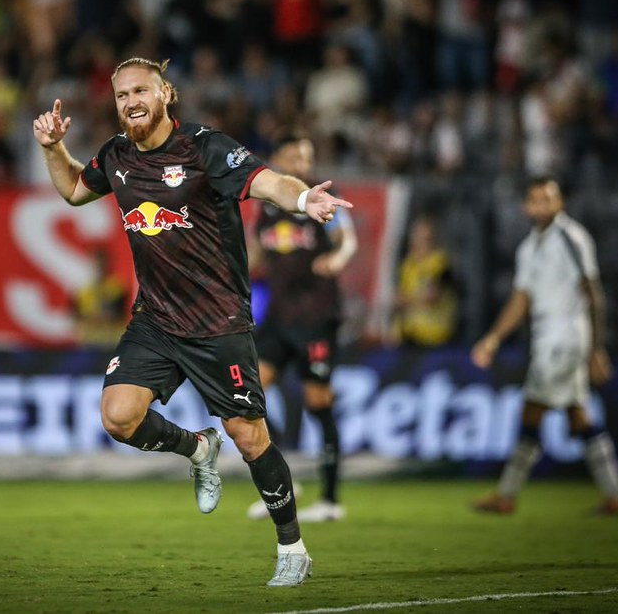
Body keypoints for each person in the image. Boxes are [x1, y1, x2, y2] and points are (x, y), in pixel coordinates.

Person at [32, 57, 352, 587]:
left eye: (140, 91)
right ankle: (197, 448)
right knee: (117, 417)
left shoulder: (206, 148)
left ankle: (292, 546)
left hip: (218, 322)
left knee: (250, 439)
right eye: (121, 95)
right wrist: (52, 148)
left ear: (165, 95)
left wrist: (301, 197)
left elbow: (266, 180)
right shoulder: (115, 156)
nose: (131, 102)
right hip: (155, 320)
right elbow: (72, 190)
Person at [470, 177, 618, 515]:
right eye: (535, 200)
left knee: (532, 408)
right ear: (526, 206)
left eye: (548, 199)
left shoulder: (572, 238)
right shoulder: (529, 246)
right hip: (546, 337)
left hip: (568, 335)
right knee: (578, 416)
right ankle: (616, 495)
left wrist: (597, 348)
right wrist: (494, 338)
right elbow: (520, 300)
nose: (541, 206)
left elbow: (593, 293)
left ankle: (506, 495)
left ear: (560, 203)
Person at [246, 134, 357, 523]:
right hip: (279, 317)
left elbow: (346, 240)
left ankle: (329, 499)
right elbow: (256, 253)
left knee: (318, 403)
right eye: (293, 155)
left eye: (306, 156)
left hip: (316, 317)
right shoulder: (270, 205)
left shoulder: (324, 195)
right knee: (250, 396)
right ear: (277, 158)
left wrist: (339, 258)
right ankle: (283, 483)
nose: (301, 163)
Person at [390, 215, 458, 347]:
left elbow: (431, 296)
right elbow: (397, 297)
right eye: (418, 236)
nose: (421, 242)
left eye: (426, 238)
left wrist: (406, 300)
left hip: (435, 336)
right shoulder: (408, 264)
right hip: (408, 335)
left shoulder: (441, 263)